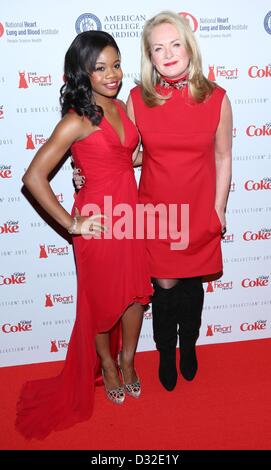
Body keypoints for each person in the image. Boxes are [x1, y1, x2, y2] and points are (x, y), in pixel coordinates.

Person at [74, 10, 232, 392]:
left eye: (175, 44)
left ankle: (189, 346)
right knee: (163, 286)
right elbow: (123, 152)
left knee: (192, 286)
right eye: (158, 48)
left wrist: (219, 209)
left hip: (198, 209)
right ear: (150, 56)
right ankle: (164, 351)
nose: (169, 53)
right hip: (157, 212)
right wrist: (86, 171)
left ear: (189, 48)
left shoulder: (217, 98)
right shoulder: (136, 100)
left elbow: (223, 156)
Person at [16, 30, 153, 440]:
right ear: (82, 74)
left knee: (135, 293)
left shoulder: (122, 105)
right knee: (99, 301)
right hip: (98, 222)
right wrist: (72, 224)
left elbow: (128, 156)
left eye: (115, 64)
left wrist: (170, 149)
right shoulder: (75, 120)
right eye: (100, 68)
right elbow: (33, 177)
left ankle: (128, 360)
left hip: (131, 214)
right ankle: (107, 367)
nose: (111, 74)